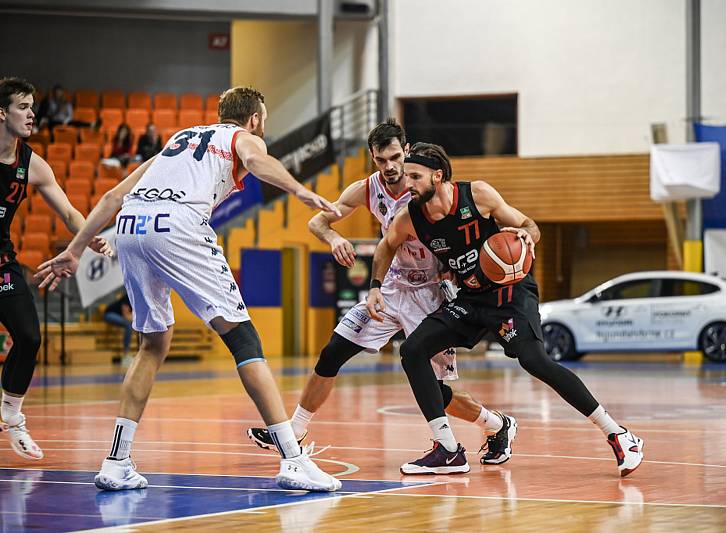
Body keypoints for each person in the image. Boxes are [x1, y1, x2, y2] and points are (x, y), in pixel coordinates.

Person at [36, 86, 343, 492]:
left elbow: (113, 196)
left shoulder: (178, 142)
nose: (262, 128)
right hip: (177, 224)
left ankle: (116, 462)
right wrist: (300, 190)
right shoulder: (242, 137)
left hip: (130, 226)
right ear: (254, 118)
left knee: (152, 344)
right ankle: (293, 460)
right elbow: (258, 159)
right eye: (263, 121)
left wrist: (76, 250)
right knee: (244, 339)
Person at [247, 119, 518, 468]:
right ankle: (293, 433)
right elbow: (318, 222)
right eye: (380, 160)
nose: (389, 167)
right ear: (373, 158)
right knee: (332, 354)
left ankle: (496, 424)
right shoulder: (367, 189)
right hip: (389, 289)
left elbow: (466, 226)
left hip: (431, 293)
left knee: (435, 390)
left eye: (394, 158)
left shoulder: (427, 184)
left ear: (407, 152)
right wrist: (335, 239)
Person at [366, 142, 644, 476]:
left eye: (415, 176)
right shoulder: (410, 217)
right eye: (406, 176)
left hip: (510, 294)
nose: (407, 183)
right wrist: (375, 286)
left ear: (437, 176)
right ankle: (448, 449)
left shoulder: (477, 195)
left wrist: (525, 235)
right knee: (413, 350)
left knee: (534, 360)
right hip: (470, 299)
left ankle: (619, 434)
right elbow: (385, 248)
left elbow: (530, 225)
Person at [0, 77, 111, 460]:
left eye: (33, 106)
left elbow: (67, 211)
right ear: (2, 113)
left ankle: (12, 418)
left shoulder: (31, 163)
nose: (32, 114)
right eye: (22, 107)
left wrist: (90, 238)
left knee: (29, 338)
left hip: (2, 264)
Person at [103, 291, 134, 365]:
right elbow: (126, 316)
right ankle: (126, 356)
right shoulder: (127, 297)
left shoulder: (136, 299)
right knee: (128, 325)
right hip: (109, 314)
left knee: (131, 324)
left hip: (118, 315)